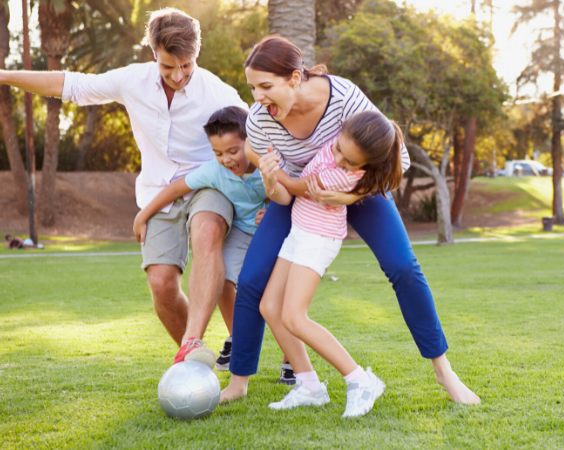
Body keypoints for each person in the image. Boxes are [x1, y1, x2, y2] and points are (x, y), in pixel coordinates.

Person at [220, 35, 480, 405]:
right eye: (252, 87)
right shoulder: (262, 120)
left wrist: (349, 196)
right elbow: (277, 184)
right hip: (300, 193)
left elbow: (398, 161)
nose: (257, 98)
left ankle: (443, 371)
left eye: (266, 86)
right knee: (251, 280)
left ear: (295, 78)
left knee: (403, 267)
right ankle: (242, 381)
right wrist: (269, 178)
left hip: (362, 190)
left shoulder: (342, 97)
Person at [0, 8, 248, 367]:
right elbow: (68, 85)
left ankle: (195, 341)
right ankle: (196, 357)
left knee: (207, 231)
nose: (178, 76)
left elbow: (256, 135)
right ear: (153, 54)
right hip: (157, 192)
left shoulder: (218, 93)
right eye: (168, 67)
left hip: (207, 185)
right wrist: (4, 75)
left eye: (187, 66)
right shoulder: (133, 80)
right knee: (162, 283)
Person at [259, 110, 403, 417]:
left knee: (294, 317)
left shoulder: (344, 175)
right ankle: (309, 386)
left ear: (365, 166)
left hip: (318, 238)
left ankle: (360, 380)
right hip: (299, 232)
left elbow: (299, 187)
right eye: (338, 149)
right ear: (339, 133)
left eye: (351, 162)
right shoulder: (337, 143)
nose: (339, 160)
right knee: (269, 307)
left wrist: (269, 167)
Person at [132, 106, 290, 375]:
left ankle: (291, 359)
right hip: (241, 232)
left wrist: (273, 211)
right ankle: (238, 339)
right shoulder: (215, 172)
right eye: (218, 153)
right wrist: (143, 215)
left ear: (250, 142)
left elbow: (292, 195)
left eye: (232, 151)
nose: (226, 159)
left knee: (278, 295)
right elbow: (176, 188)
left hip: (274, 232)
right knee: (223, 279)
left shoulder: (271, 162)